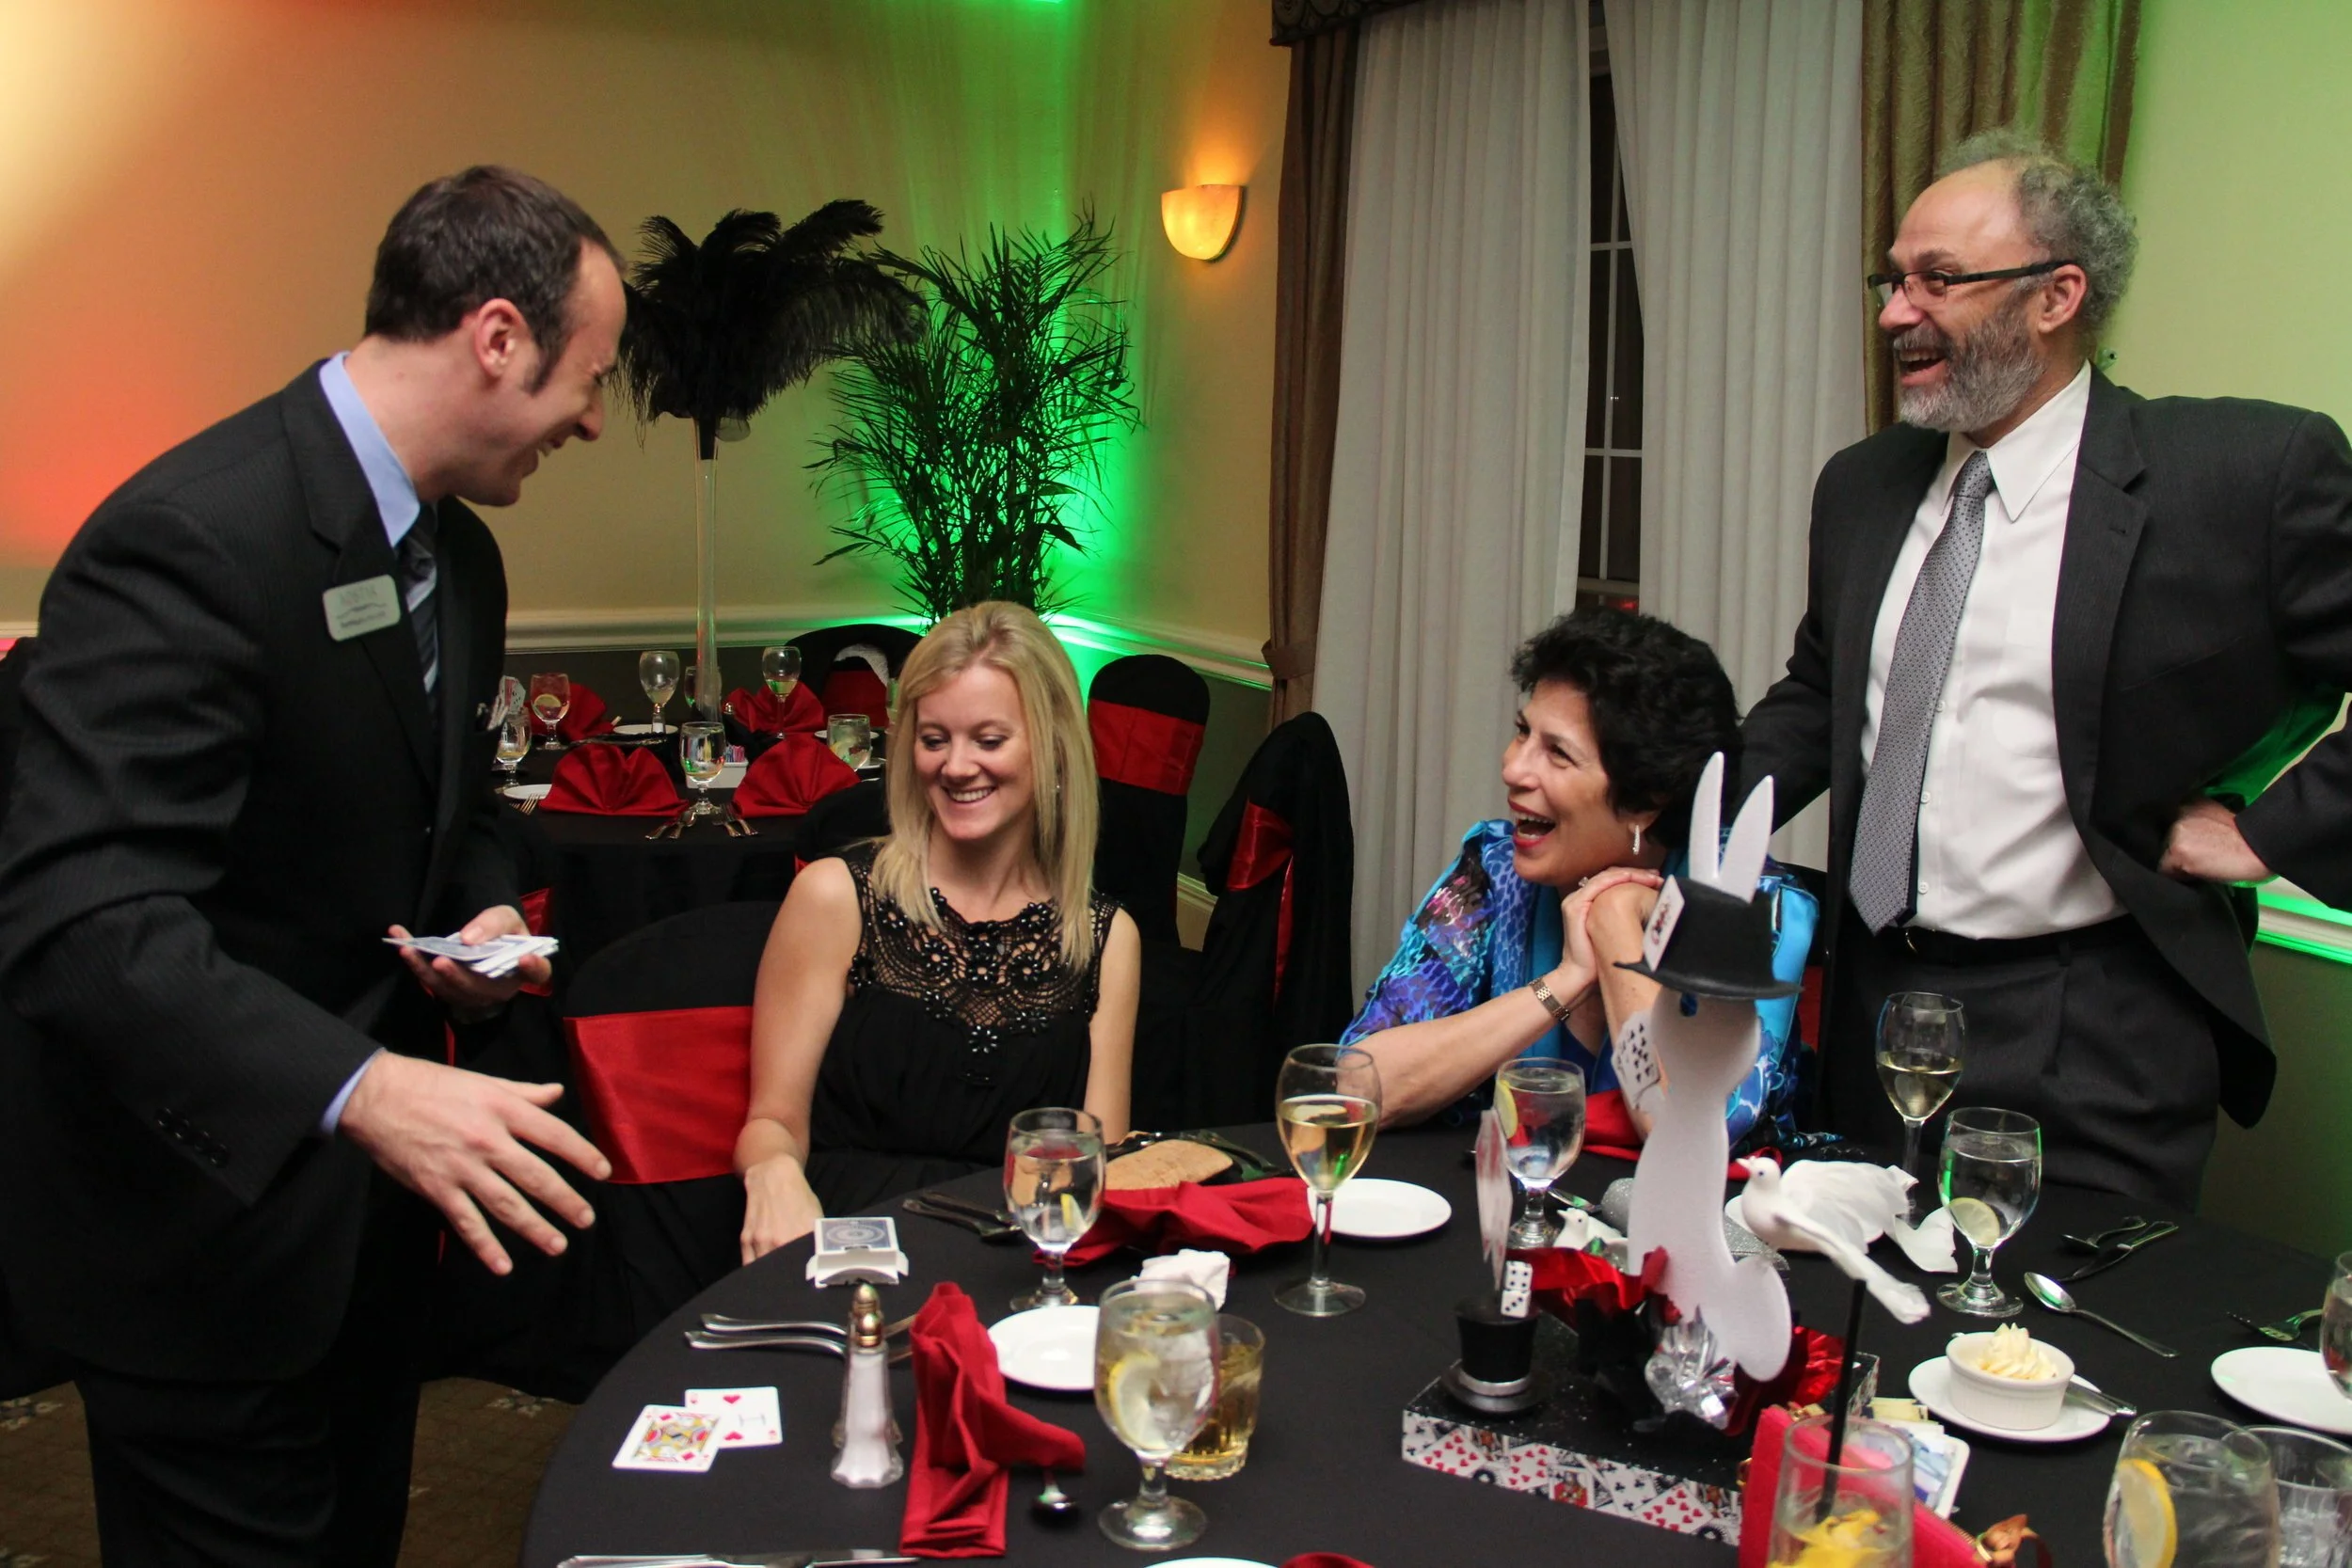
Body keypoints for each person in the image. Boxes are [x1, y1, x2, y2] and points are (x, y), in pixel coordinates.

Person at [0, 166, 624, 1566]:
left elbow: (450, 805)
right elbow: (80, 923)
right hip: (198, 1245)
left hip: (359, 1245)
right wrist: (361, 1084)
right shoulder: (192, 537)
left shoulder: (461, 558)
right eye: (590, 375)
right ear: (500, 337)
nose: (595, 416)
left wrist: (475, 912)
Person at [1740, 130, 2352, 1208]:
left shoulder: (2243, 476)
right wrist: (1672, 816)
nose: (1894, 311)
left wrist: (2267, 833)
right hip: (1873, 1005)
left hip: (2093, 1030)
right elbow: (1821, 693)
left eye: (1937, 279)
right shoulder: (1863, 483)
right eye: (1892, 279)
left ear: (2055, 295)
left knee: (2049, 1361)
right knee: (1861, 1331)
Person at [737, 601, 1141, 1259]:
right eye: (934, 739)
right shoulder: (837, 896)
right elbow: (771, 1122)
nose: (955, 766)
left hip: (1014, 1265)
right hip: (849, 1252)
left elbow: (1099, 1166)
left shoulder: (1104, 938)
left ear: (1055, 749)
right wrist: (773, 1169)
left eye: (988, 739)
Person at [1343, 607, 1817, 1150]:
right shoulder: (1493, 870)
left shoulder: (1750, 905)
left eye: (1557, 753)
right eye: (1523, 733)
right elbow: (1357, 1087)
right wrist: (1565, 982)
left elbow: (1686, 1134)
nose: (1514, 769)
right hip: (1500, 1212)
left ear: (1646, 800)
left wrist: (1617, 925)